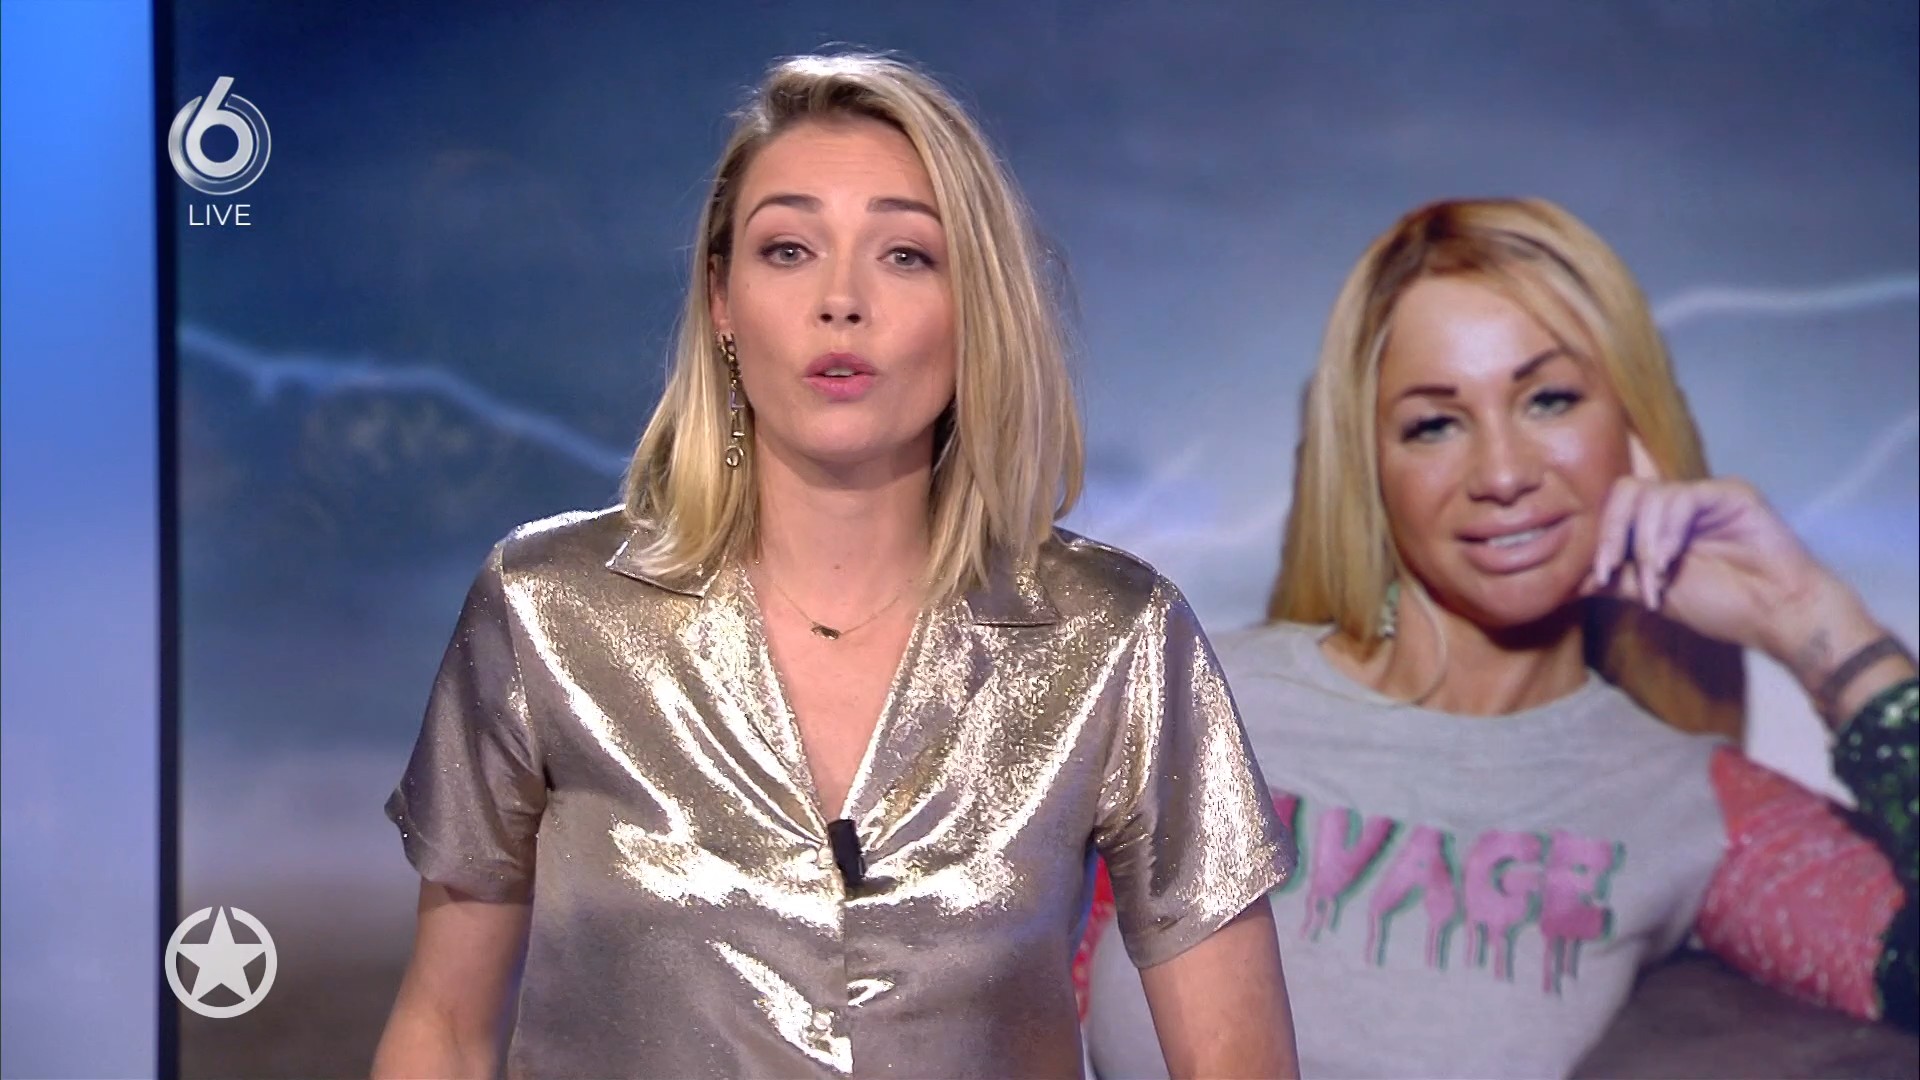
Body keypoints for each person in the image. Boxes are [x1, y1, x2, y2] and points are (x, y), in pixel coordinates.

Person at [370, 53, 1299, 1080]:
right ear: (722, 300)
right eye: (789, 249)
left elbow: (1239, 1061)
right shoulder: (548, 614)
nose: (842, 300)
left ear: (974, 306)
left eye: (905, 255)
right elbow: (444, 1031)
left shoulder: (1112, 637)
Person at [1080, 197, 1917, 1078]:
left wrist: (1812, 622)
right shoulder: (1184, 692)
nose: (1505, 474)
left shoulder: (1691, 803)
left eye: (1549, 400)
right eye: (1435, 424)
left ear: (1631, 427)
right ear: (1370, 465)